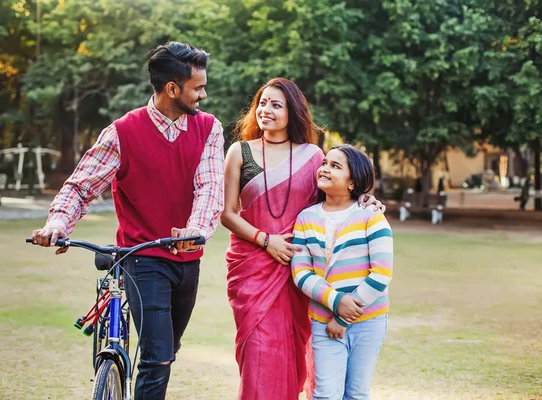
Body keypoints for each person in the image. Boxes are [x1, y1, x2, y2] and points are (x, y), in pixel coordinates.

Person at [30, 42, 225, 399]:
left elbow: (209, 187)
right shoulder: (121, 132)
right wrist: (57, 224)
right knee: (157, 357)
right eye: (198, 87)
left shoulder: (209, 129)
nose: (204, 94)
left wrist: (196, 229)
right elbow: (80, 186)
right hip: (142, 256)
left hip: (187, 260)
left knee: (167, 349)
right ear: (172, 88)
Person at [221, 78, 384, 400]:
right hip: (253, 268)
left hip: (299, 267)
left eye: (275, 105)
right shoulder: (239, 151)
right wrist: (266, 240)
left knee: (293, 352)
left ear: (292, 112)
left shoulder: (312, 156)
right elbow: (227, 214)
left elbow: (336, 192)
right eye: (262, 103)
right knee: (257, 353)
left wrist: (366, 200)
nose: (266, 110)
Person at [291, 144, 393, 400]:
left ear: (352, 182)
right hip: (323, 321)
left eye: (336, 166)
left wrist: (345, 317)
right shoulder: (305, 218)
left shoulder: (371, 217)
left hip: (368, 321)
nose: (324, 168)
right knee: (325, 394)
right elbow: (301, 272)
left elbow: (381, 274)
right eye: (325, 162)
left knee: (356, 393)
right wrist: (336, 302)